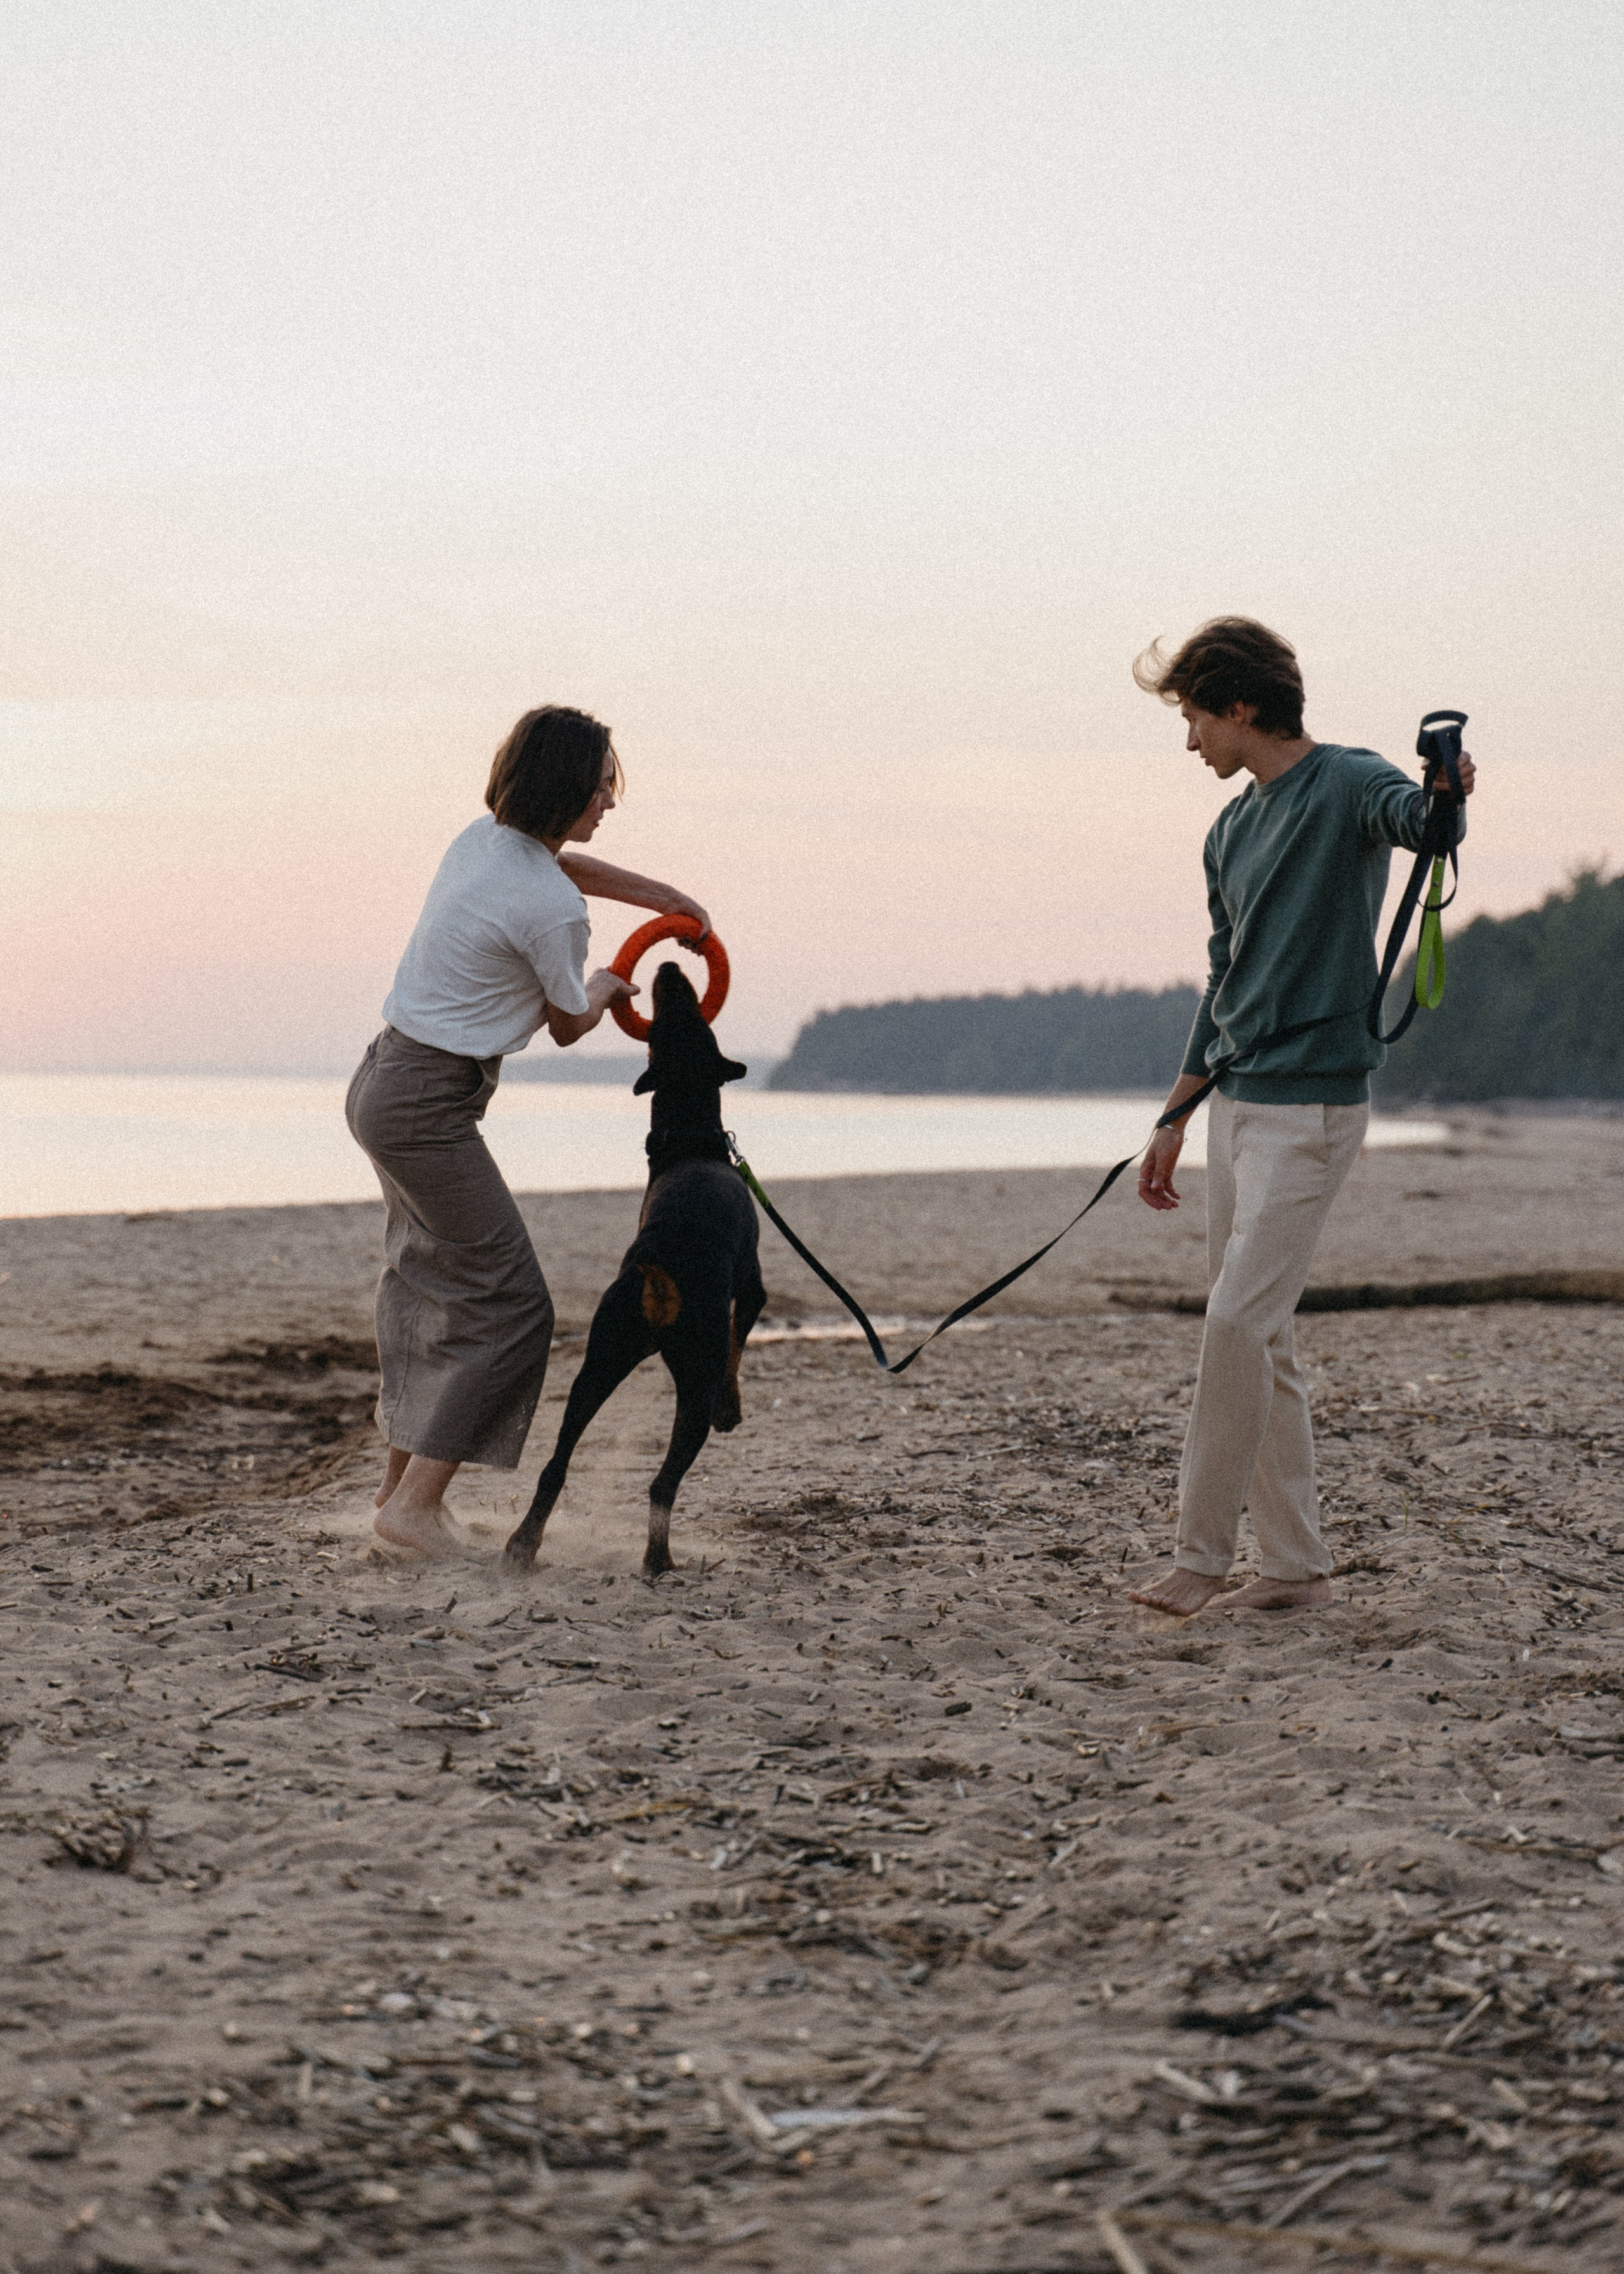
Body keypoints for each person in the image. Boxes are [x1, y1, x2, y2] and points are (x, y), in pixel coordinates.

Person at [1127, 619, 1474, 1615]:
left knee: (1235, 1321)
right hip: (1235, 1106)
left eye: (1194, 716)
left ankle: (1202, 1557)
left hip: (1314, 1111)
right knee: (1262, 1337)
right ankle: (1294, 1568)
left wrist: (1448, 795)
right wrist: (1175, 1116)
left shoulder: (1349, 782)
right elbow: (1223, 980)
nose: (1189, 739)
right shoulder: (1227, 831)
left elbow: (1422, 824)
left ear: (1241, 705)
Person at [345, 705, 710, 1557]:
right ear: (564, 788)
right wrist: (611, 983)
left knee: (431, 1287)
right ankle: (413, 1508)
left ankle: (398, 1495)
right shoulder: (554, 911)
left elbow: (557, 865)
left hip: (382, 1081)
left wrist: (662, 899)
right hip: (427, 1107)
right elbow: (570, 1024)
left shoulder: (483, 842)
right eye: (601, 787)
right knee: (514, 1305)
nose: (611, 802)